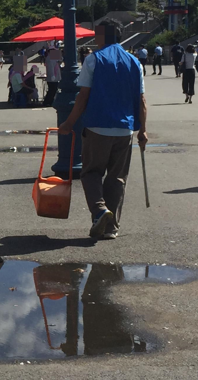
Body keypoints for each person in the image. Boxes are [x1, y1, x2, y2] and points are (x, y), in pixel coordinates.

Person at [58, 23, 147, 240]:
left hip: (97, 126)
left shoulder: (93, 59)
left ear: (101, 36)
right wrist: (143, 130)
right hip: (124, 129)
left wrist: (69, 123)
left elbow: (83, 96)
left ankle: (99, 210)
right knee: (117, 178)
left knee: (91, 172)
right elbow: (142, 100)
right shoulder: (135, 62)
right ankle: (111, 227)